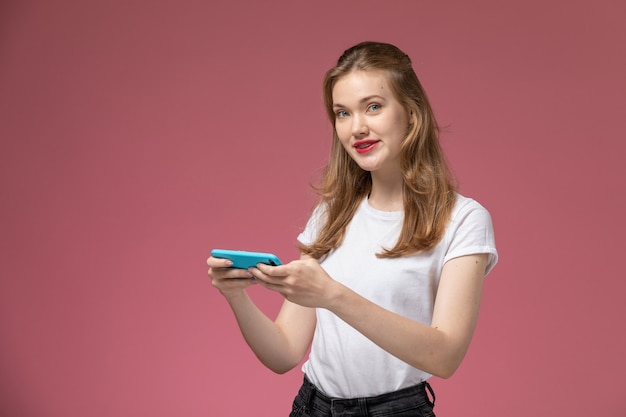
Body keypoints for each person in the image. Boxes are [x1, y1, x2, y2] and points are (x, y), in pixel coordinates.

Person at [207, 41, 498, 417]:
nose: (356, 128)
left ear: (411, 113)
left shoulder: (463, 219)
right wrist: (236, 296)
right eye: (342, 113)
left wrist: (332, 295)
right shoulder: (331, 215)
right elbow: (283, 353)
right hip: (312, 407)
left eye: (373, 107)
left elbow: (444, 356)